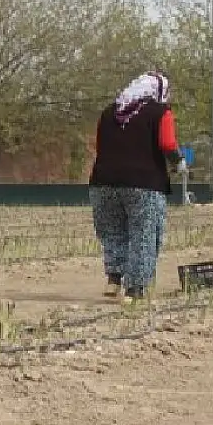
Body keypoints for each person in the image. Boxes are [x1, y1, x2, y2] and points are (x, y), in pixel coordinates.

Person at [88, 71, 187, 302]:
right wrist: (178, 162)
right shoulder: (161, 112)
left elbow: (99, 145)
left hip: (103, 183)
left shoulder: (108, 112)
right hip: (143, 185)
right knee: (144, 234)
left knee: (113, 232)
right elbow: (167, 143)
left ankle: (114, 279)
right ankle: (135, 289)